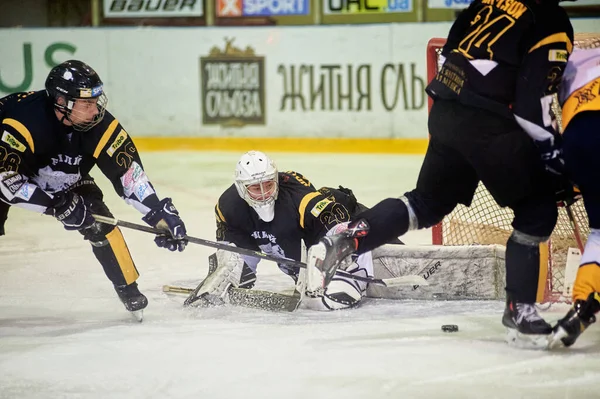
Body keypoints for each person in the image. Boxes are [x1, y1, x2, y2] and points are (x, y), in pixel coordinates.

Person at [304, 0, 574, 347]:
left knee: (427, 202)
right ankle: (520, 313)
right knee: (537, 212)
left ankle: (348, 237)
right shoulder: (550, 19)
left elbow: (448, 56)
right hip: (489, 124)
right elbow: (530, 110)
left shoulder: (485, 3)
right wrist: (556, 165)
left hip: (446, 113)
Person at [0, 60, 187, 320]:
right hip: (14, 172)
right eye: (86, 104)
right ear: (62, 102)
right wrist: (55, 205)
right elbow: (5, 180)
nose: (95, 110)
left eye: (96, 102)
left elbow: (129, 176)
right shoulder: (20, 121)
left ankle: (129, 289)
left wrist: (156, 211)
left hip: (63, 174)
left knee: (99, 220)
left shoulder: (99, 124)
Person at [188, 150, 374, 311]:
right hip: (304, 269)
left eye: (268, 185)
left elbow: (345, 226)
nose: (263, 193)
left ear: (276, 181)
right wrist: (225, 274)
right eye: (255, 188)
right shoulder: (229, 207)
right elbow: (239, 258)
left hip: (367, 234)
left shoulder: (299, 199)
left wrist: (347, 256)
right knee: (231, 263)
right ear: (242, 188)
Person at [549, 37, 600, 348]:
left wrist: (564, 175)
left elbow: (543, 111)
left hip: (578, 141)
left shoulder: (574, 58)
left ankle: (583, 304)